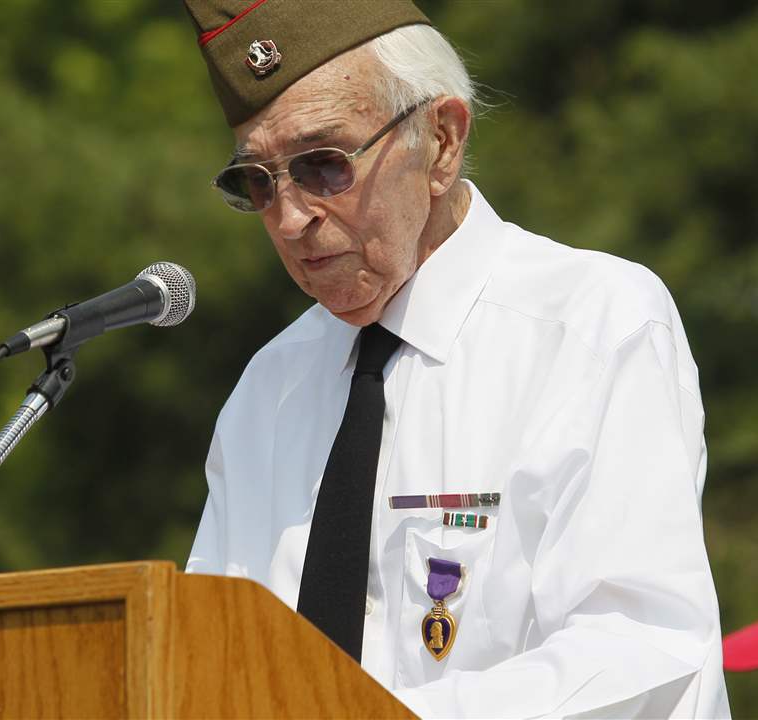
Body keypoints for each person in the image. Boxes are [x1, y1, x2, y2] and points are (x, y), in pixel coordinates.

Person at [181, 1, 731, 717]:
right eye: (255, 181)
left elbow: (639, 644)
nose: (288, 219)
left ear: (439, 141)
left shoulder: (592, 322)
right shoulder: (270, 387)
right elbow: (210, 658)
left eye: (323, 166)